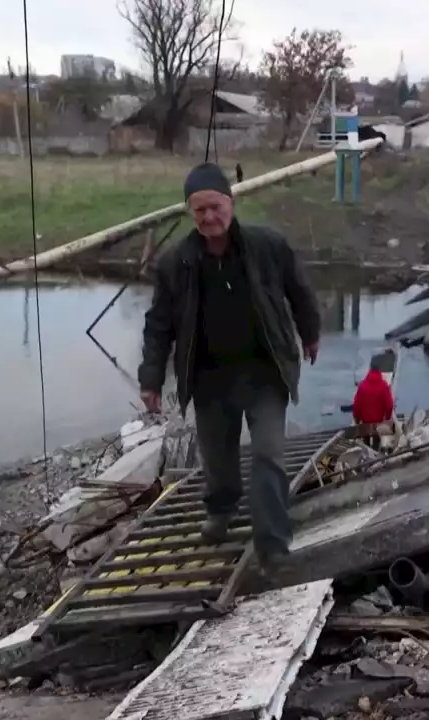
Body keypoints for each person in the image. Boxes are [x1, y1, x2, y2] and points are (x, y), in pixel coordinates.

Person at [137, 162, 322, 571]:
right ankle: (221, 511)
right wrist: (150, 378)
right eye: (198, 210)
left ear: (230, 203)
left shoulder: (267, 245)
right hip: (209, 377)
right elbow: (159, 324)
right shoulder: (175, 264)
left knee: (269, 454)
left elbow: (300, 291)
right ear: (189, 212)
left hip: (264, 371)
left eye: (215, 207)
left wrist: (310, 334)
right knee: (217, 457)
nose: (208, 217)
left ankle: (272, 542)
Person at [351, 356, 395, 447]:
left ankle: (367, 452)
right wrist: (387, 417)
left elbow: (356, 405)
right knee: (376, 440)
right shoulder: (384, 386)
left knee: (365, 442)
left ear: (369, 371)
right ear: (379, 372)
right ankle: (376, 453)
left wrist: (357, 419)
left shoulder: (362, 386)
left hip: (365, 421)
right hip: (378, 421)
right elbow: (389, 405)